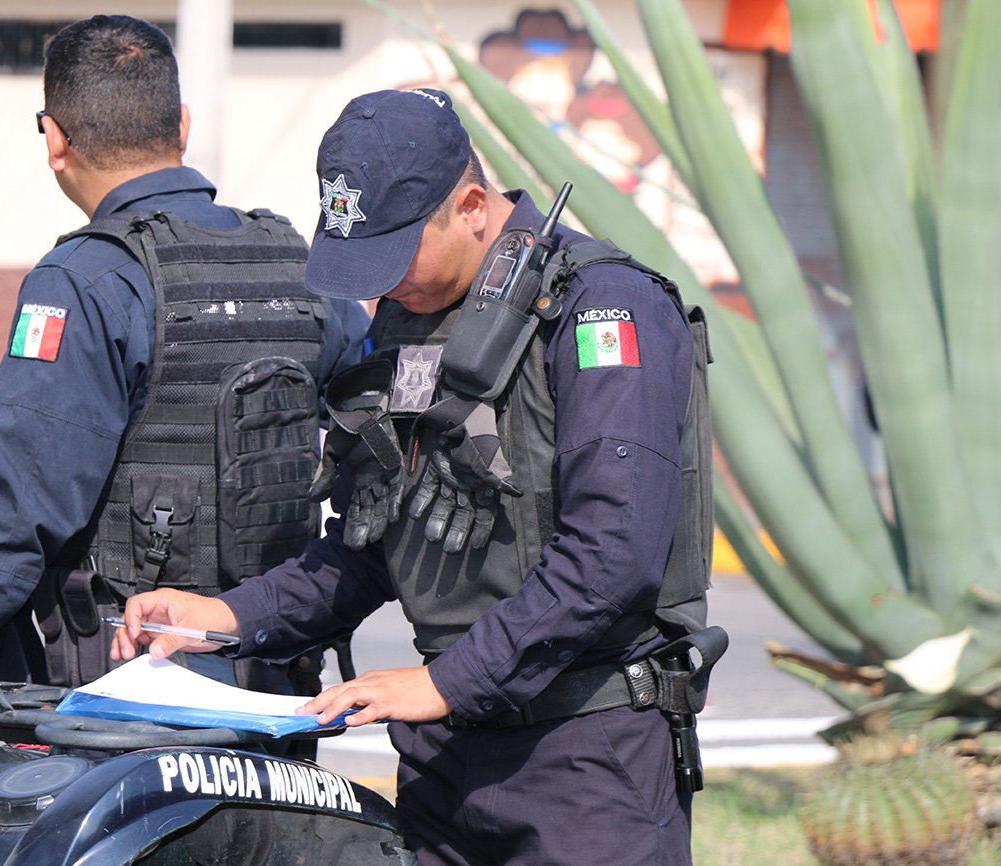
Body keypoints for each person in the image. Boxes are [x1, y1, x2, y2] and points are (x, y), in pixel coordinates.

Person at [113, 87, 718, 865]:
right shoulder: (412, 321)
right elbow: (379, 536)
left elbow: (612, 555)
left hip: (586, 759)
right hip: (444, 754)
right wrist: (224, 615)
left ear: (470, 206)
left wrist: (445, 685)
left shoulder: (604, 309)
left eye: (397, 257)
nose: (381, 285)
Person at [0, 15, 368, 697]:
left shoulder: (82, 279)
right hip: (276, 683)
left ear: (54, 138)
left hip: (122, 692)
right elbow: (375, 461)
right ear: (183, 126)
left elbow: (16, 520)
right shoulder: (298, 265)